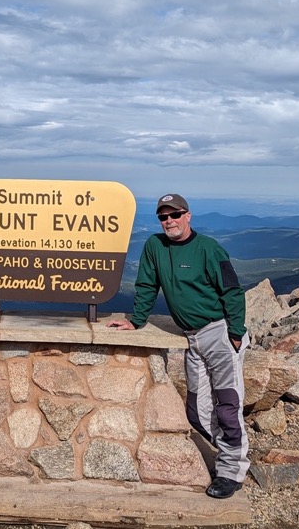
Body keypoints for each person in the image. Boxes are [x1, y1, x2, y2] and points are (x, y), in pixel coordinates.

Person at [107, 193, 249, 499]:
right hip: (192, 337)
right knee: (197, 411)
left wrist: (235, 332)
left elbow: (232, 291)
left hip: (219, 333)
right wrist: (136, 320)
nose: (169, 221)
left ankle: (231, 471)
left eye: (175, 214)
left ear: (188, 215)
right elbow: (147, 284)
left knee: (228, 405)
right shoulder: (155, 247)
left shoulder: (208, 249)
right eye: (163, 216)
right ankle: (231, 450)